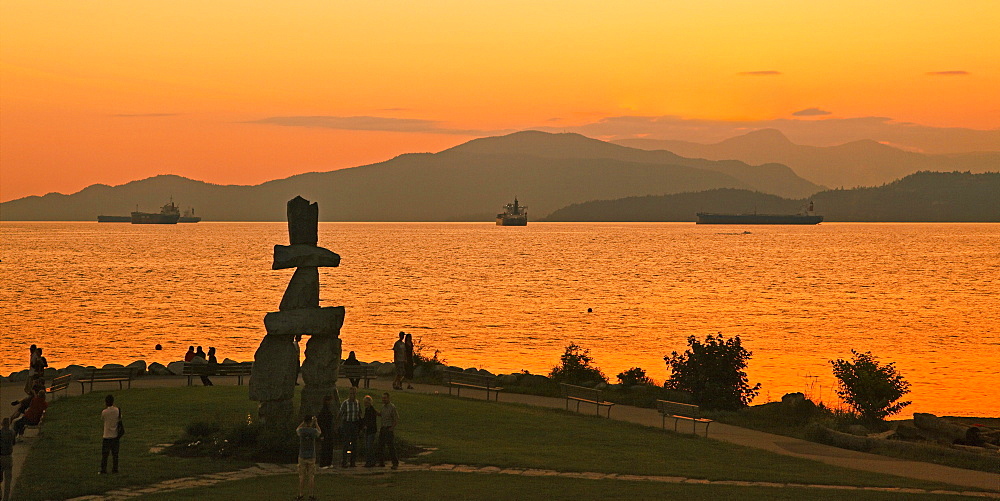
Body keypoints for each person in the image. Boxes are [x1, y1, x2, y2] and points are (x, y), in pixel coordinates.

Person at [296, 414, 321, 501]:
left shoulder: (302, 431)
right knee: (311, 476)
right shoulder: (313, 431)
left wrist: (303, 422)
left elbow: (297, 429)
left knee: (302, 476)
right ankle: (311, 494)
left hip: (302, 455)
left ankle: (301, 494)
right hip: (311, 456)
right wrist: (316, 423)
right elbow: (319, 432)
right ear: (311, 421)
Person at [375, 392, 399, 469]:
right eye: (383, 398)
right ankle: (381, 462)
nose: (383, 399)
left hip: (388, 428)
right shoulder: (383, 407)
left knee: (391, 447)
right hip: (383, 428)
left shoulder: (392, 407)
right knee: (380, 446)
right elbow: (381, 414)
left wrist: (392, 428)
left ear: (388, 398)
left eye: (385, 398)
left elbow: (396, 418)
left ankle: (395, 463)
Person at [338, 386, 361, 467]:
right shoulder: (345, 403)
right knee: (346, 443)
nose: (352, 395)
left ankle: (352, 462)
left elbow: (359, 414)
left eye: (354, 393)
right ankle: (344, 461)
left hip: (354, 423)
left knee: (354, 443)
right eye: (351, 393)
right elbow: (340, 414)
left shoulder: (357, 403)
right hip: (347, 423)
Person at [100, 395, 121, 474]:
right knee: (115, 454)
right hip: (115, 435)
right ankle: (115, 469)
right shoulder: (117, 410)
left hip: (106, 435)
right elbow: (120, 418)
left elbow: (102, 418)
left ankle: (103, 469)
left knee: (105, 455)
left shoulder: (104, 412)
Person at [359, 395, 379, 467]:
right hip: (368, 431)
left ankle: (370, 461)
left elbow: (371, 420)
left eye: (366, 402)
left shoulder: (371, 410)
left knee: (369, 447)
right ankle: (370, 461)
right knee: (368, 446)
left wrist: (366, 425)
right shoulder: (367, 410)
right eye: (365, 402)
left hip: (371, 430)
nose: (365, 404)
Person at [316, 395, 335, 468]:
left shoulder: (327, 410)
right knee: (325, 448)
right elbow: (322, 422)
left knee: (329, 447)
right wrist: (322, 434)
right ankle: (324, 463)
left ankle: (328, 463)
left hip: (329, 431)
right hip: (326, 431)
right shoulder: (324, 411)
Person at [1, 418, 15, 501]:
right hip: (8, 456)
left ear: (2, 424)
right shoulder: (12, 432)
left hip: (0, 456)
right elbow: (13, 443)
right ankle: (6, 497)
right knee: (8, 479)